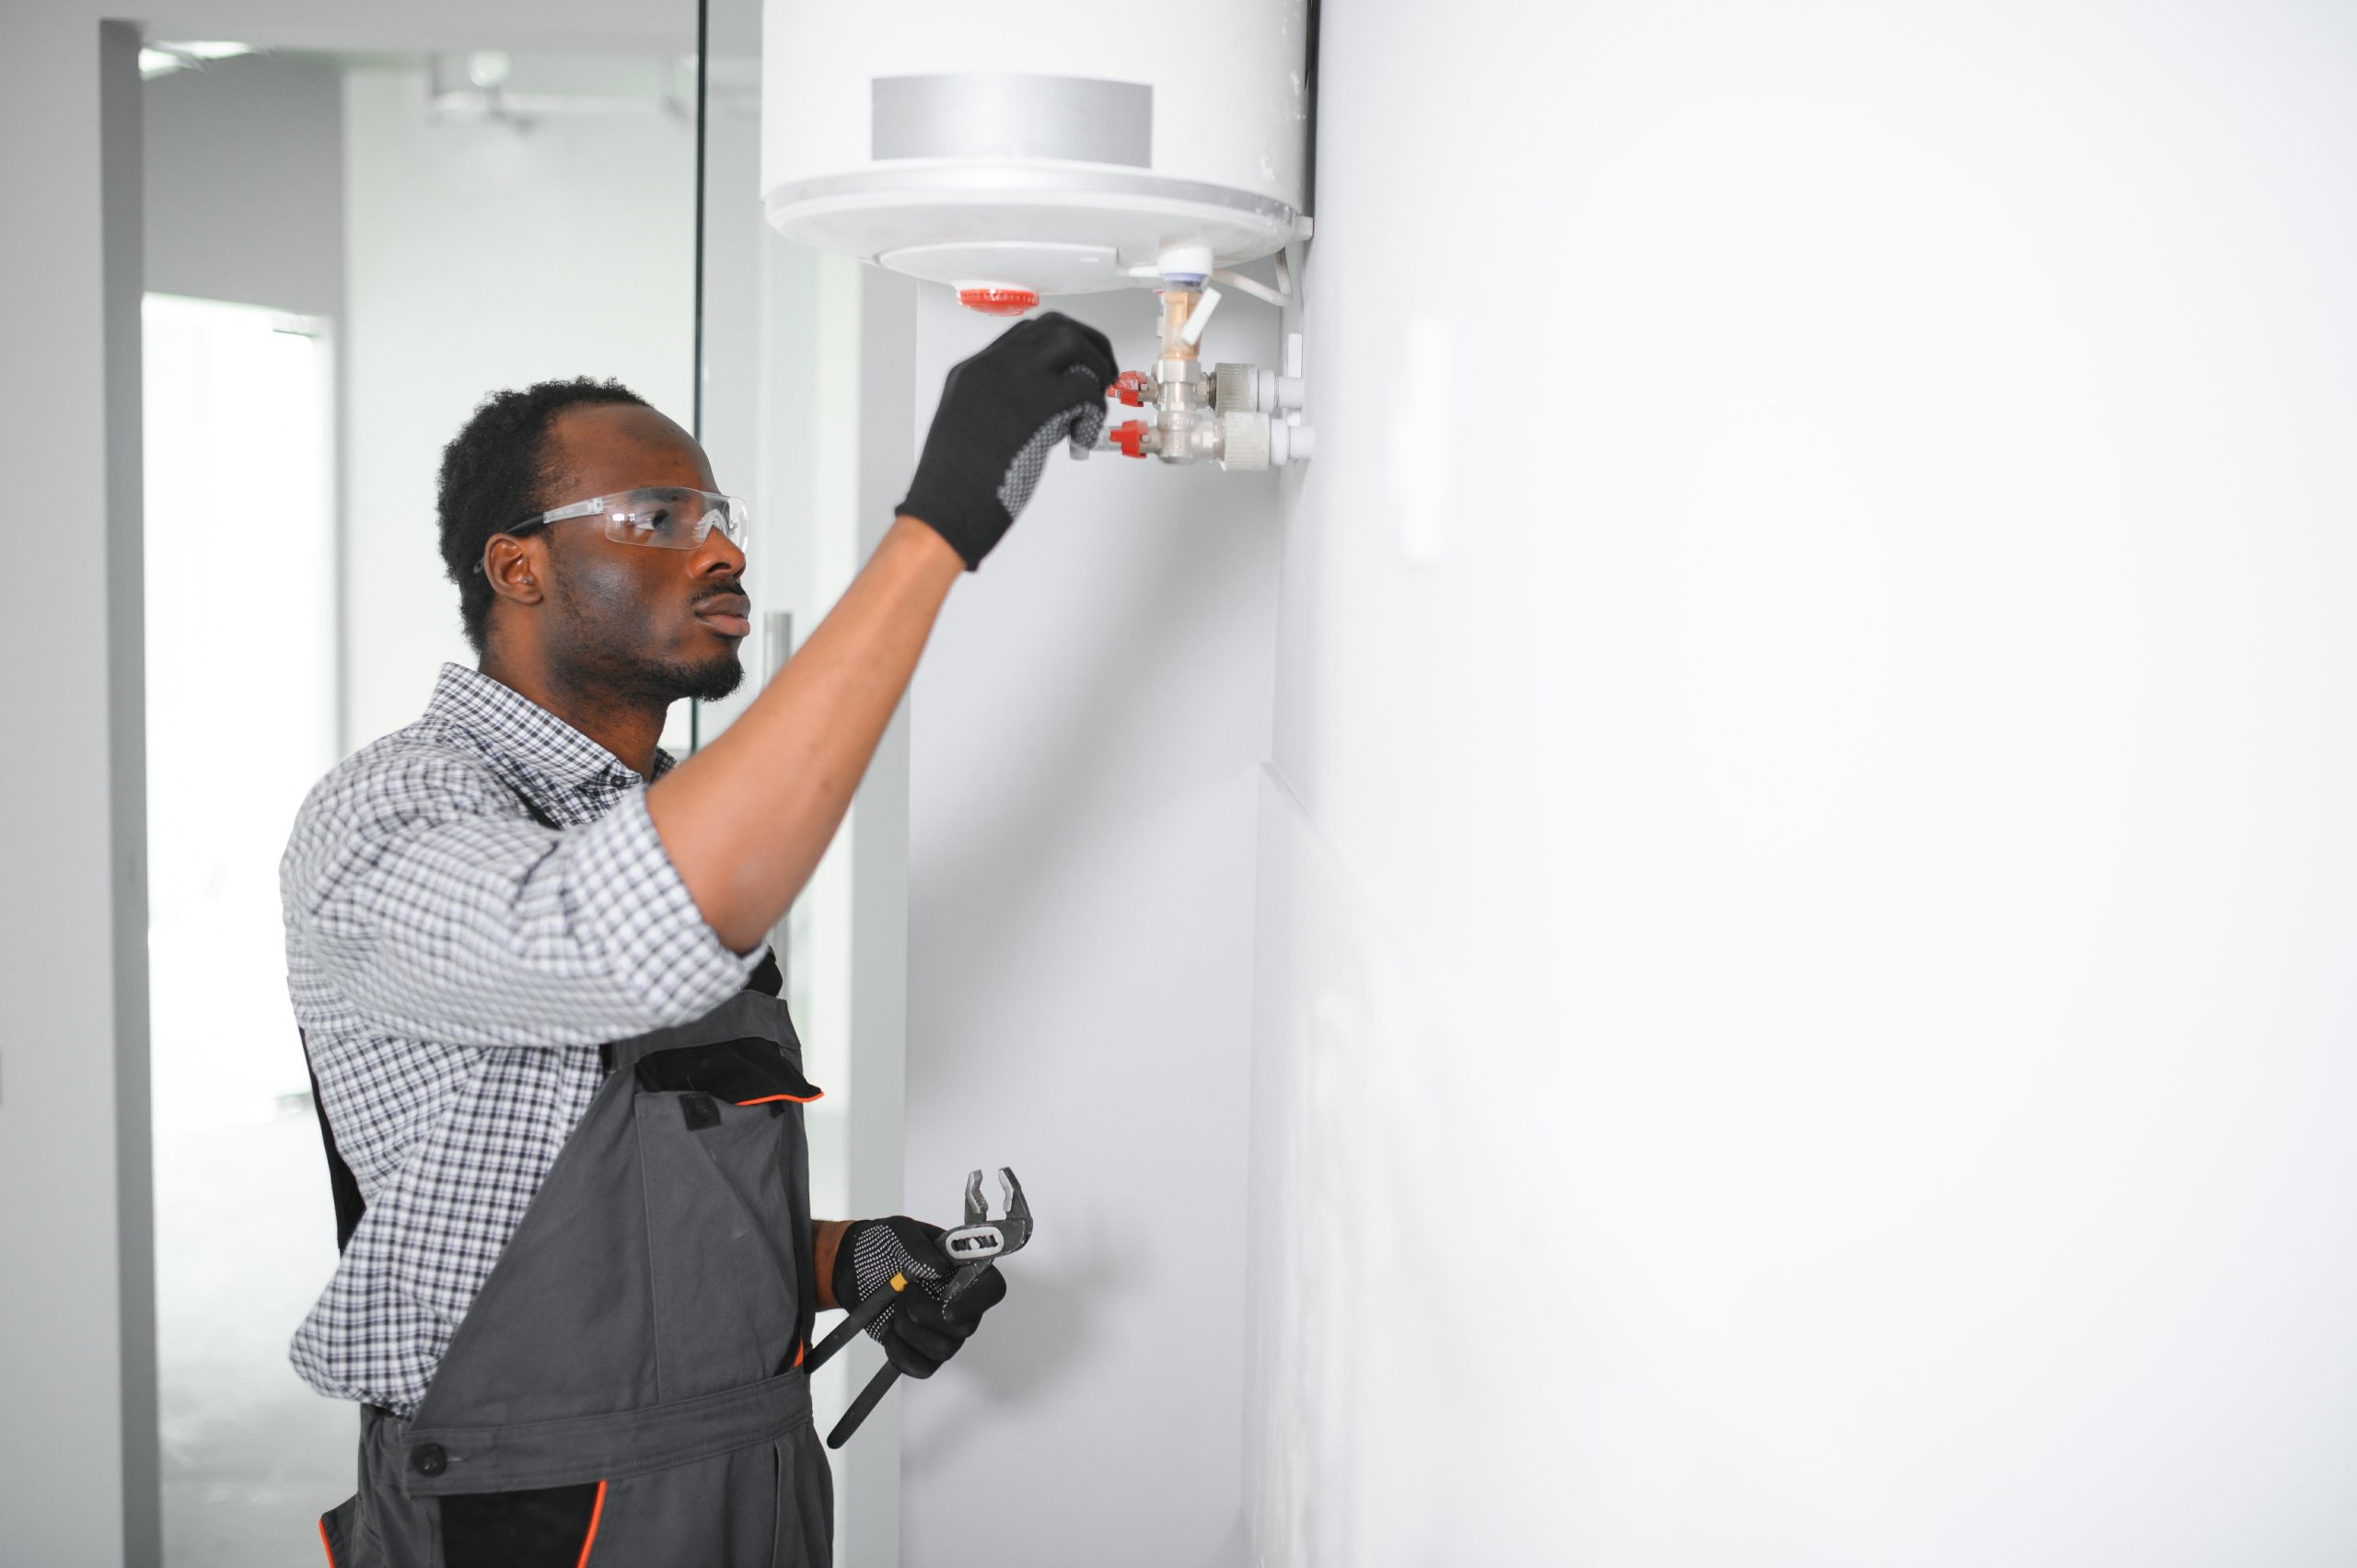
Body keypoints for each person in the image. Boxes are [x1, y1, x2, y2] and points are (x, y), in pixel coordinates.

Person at [282, 313, 1118, 1567]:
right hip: (533, 1519)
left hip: (758, 1490)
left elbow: (621, 1231)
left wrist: (847, 1260)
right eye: (660, 517)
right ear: (518, 569)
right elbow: (612, 934)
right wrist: (936, 527)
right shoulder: (393, 813)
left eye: (718, 515)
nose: (722, 548)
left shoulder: (660, 815)